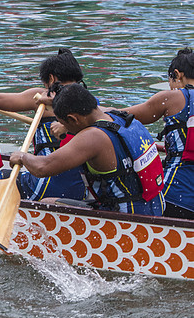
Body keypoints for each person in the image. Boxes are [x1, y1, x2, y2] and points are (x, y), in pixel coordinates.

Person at [0, 48, 88, 202]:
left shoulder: (44, 96)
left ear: (51, 79)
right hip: (78, 188)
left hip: (46, 184)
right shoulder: (88, 101)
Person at [9, 83, 165, 217]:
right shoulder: (117, 115)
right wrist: (56, 102)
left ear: (73, 119)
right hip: (155, 205)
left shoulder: (93, 138)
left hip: (127, 218)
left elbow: (42, 167)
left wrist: (22, 157)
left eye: (65, 123)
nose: (66, 129)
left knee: (45, 204)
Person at [119, 48, 194, 219]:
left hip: (176, 195)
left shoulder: (172, 98)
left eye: (170, 81)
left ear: (177, 75)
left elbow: (120, 116)